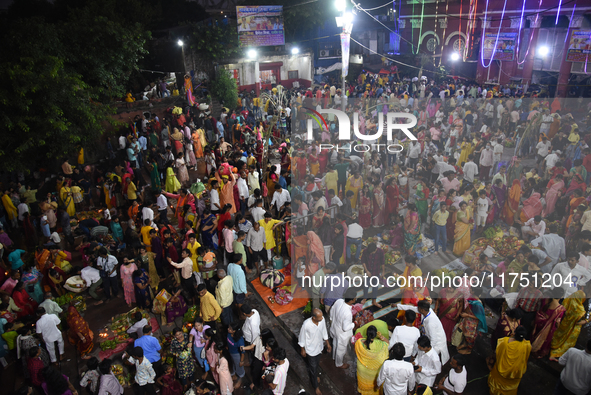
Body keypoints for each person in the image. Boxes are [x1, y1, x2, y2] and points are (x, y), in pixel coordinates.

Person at [396, 300, 450, 365]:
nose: (417, 309)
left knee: (428, 361)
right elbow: (412, 308)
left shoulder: (431, 323)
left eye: (418, 308)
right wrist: (397, 306)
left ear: (421, 309)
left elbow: (434, 340)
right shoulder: (427, 310)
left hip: (436, 343)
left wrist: (427, 350)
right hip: (429, 337)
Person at [488, 326, 531, 395]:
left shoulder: (504, 342)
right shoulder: (527, 345)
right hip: (515, 374)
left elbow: (497, 352)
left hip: (500, 372)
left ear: (514, 333)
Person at [549, 288, 588, 361]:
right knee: (566, 341)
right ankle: (555, 354)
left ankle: (551, 348)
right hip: (571, 328)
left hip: (563, 322)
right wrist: (587, 320)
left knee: (557, 336)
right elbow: (578, 322)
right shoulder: (580, 309)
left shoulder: (567, 300)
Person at [299, 308, 331, 395]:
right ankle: (316, 386)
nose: (322, 319)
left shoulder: (322, 320)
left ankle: (315, 376)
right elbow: (301, 337)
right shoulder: (306, 325)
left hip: (319, 347)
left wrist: (327, 344)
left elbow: (324, 331)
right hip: (310, 350)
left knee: (316, 365)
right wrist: (302, 349)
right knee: (313, 368)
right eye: (319, 317)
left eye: (321, 317)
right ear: (313, 317)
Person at [531, 288, 565, 358]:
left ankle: (531, 347)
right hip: (547, 328)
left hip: (538, 323)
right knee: (542, 341)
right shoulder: (560, 309)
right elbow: (557, 322)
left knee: (535, 335)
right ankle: (538, 353)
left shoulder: (545, 300)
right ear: (561, 297)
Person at [355, 325, 389, 395]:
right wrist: (381, 336)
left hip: (362, 369)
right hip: (373, 370)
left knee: (363, 381)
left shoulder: (359, 342)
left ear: (366, 333)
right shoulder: (380, 344)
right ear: (375, 334)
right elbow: (388, 343)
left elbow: (355, 351)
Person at [329, 289, 357, 369]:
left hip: (335, 328)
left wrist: (332, 320)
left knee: (335, 343)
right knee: (340, 350)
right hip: (342, 333)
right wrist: (354, 323)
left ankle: (334, 357)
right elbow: (345, 328)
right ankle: (339, 363)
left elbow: (332, 311)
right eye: (355, 297)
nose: (356, 298)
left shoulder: (339, 301)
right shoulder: (347, 313)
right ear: (352, 300)